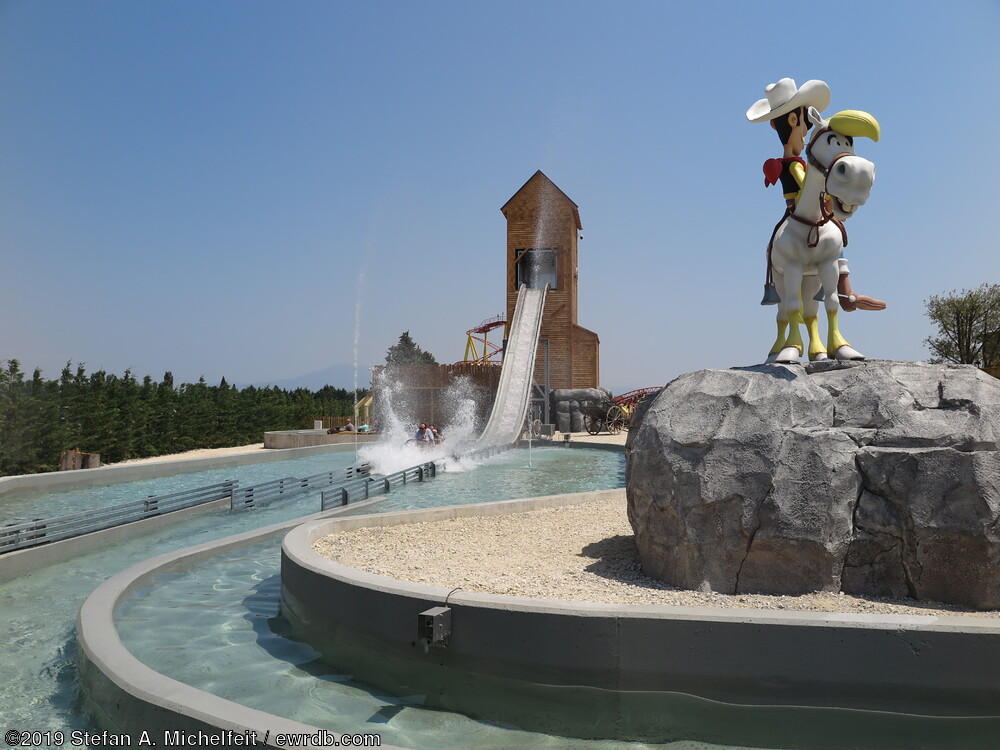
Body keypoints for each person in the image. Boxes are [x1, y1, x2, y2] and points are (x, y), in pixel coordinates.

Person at [747, 77, 885, 312]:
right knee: (834, 227)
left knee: (834, 229)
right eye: (805, 127)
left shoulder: (793, 162)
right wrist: (824, 190)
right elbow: (804, 186)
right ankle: (845, 289)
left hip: (801, 206)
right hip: (797, 208)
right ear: (794, 121)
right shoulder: (793, 164)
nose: (805, 134)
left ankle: (842, 290)